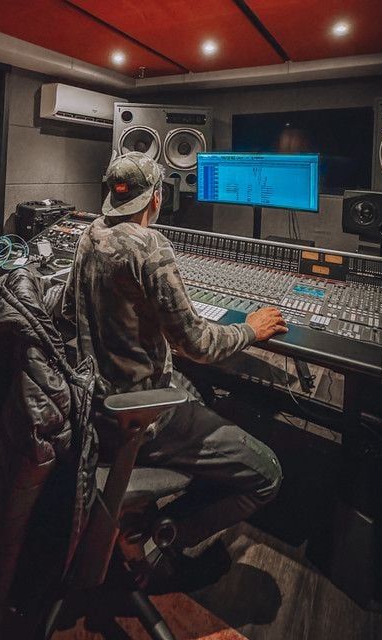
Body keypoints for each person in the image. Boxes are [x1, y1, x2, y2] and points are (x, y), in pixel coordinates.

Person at [59, 151, 287, 551]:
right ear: (156, 197)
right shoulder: (150, 245)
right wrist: (251, 329)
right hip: (140, 416)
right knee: (268, 474)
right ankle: (171, 532)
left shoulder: (89, 234)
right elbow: (199, 345)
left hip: (90, 403)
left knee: (201, 392)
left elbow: (67, 311)